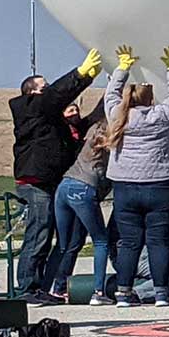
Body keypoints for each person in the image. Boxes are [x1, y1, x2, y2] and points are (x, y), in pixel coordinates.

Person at [9, 49, 102, 303]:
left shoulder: (50, 119)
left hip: (49, 183)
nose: (48, 89)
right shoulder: (30, 109)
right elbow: (56, 95)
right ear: (33, 92)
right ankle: (27, 287)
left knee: (48, 234)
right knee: (38, 234)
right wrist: (80, 75)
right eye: (44, 86)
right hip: (35, 184)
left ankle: (42, 285)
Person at [104, 44, 169, 309]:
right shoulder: (162, 116)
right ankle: (161, 292)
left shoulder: (119, 116)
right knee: (158, 241)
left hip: (125, 186)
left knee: (128, 242)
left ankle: (124, 293)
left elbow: (110, 94)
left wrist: (122, 68)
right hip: (160, 185)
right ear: (150, 99)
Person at [51, 102, 113, 306]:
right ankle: (98, 291)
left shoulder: (90, 131)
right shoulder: (111, 140)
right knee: (101, 240)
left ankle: (55, 288)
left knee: (65, 243)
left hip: (65, 186)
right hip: (84, 188)